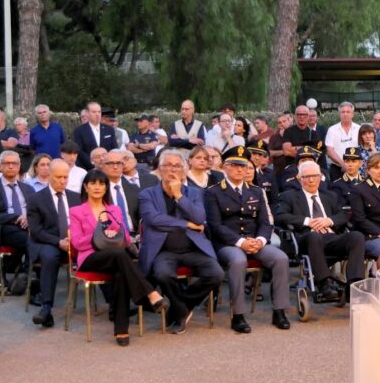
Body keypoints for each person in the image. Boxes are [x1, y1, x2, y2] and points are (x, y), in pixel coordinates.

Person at [69, 169, 172, 346]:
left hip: (115, 257)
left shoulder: (114, 210)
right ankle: (149, 293)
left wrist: (114, 231)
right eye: (93, 183)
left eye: (101, 184)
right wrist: (99, 233)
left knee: (120, 272)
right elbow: (77, 243)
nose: (97, 187)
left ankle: (121, 330)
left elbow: (124, 239)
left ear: (106, 188)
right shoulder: (76, 211)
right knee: (120, 256)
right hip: (89, 258)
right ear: (86, 187)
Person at [204, 145, 292, 333]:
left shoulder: (256, 191)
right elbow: (215, 226)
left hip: (254, 241)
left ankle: (279, 311)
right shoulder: (213, 192)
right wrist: (241, 242)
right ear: (224, 167)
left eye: (243, 166)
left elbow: (265, 222)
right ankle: (238, 315)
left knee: (280, 258)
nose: (239, 170)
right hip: (228, 244)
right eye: (235, 165)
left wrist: (260, 240)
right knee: (238, 260)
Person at [138, 150, 224, 333]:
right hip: (164, 250)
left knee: (216, 274)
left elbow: (200, 218)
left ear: (184, 170)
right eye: (168, 165)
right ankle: (182, 310)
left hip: (193, 248)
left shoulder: (193, 193)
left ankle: (180, 306)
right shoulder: (147, 194)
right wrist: (186, 224)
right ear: (160, 169)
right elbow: (154, 219)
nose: (172, 170)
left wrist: (179, 196)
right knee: (162, 275)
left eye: (177, 166)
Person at [275, 160, 365, 303]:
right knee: (314, 236)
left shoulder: (330, 196)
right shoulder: (289, 196)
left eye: (315, 176)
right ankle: (324, 284)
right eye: (306, 177)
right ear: (299, 178)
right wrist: (308, 221)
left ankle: (353, 286)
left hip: (330, 237)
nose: (311, 180)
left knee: (356, 237)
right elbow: (280, 216)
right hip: (306, 239)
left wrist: (329, 220)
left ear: (320, 177)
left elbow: (343, 215)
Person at [26, 159, 81, 328]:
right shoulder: (36, 199)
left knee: (97, 254)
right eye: (58, 177)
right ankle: (46, 308)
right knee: (50, 257)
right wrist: (58, 242)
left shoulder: (76, 198)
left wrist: (73, 240)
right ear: (49, 175)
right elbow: (36, 230)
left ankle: (113, 304)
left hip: (74, 242)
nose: (62, 181)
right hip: (47, 241)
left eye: (65, 177)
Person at [0, 150, 36, 289]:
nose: (11, 166)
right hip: (4, 228)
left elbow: (36, 211)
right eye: (7, 163)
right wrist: (16, 217)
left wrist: (29, 218)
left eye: (14, 163)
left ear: (19, 166)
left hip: (28, 226)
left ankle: (13, 272)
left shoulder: (28, 189)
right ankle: (27, 279)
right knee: (31, 241)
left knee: (41, 238)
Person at [102, 150, 139, 235]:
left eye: (119, 163)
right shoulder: (99, 191)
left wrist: (139, 234)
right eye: (111, 163)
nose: (115, 167)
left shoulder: (133, 188)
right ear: (103, 166)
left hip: (135, 236)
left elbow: (142, 216)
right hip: (111, 237)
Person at [73, 102, 119, 169]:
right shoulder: (79, 130)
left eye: (99, 112)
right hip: (88, 168)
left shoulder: (109, 129)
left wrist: (108, 163)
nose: (97, 114)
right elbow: (80, 151)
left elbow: (114, 148)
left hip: (108, 168)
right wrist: (93, 164)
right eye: (94, 112)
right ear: (88, 114)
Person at [323, 102, 361, 183]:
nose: (345, 114)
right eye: (343, 112)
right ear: (339, 114)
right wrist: (342, 164)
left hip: (357, 169)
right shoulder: (332, 129)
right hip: (337, 168)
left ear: (352, 114)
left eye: (348, 112)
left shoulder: (359, 129)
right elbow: (329, 151)